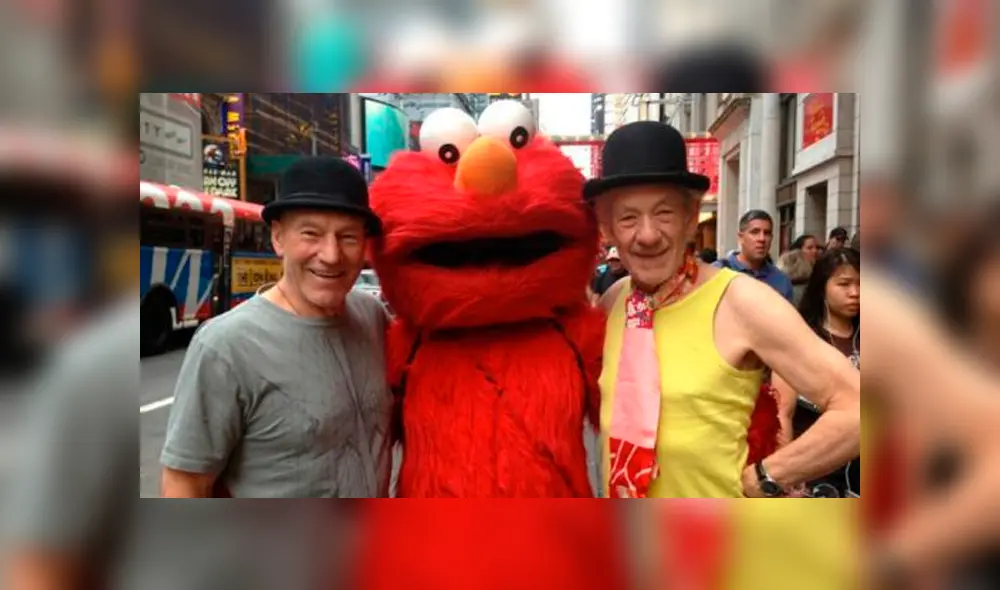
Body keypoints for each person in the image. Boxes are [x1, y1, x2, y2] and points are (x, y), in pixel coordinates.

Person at [586, 120, 860, 499]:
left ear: (689, 218)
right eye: (628, 217)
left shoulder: (742, 302)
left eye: (664, 212)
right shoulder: (613, 302)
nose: (647, 234)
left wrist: (769, 474)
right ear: (609, 230)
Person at [159, 157, 394, 498]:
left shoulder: (372, 318)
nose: (330, 254)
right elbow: (184, 484)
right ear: (278, 237)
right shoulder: (225, 345)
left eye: (348, 237)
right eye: (310, 234)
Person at [772, 248, 861, 496]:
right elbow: (783, 412)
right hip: (816, 475)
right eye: (844, 284)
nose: (855, 293)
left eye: (861, 284)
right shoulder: (801, 341)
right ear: (822, 286)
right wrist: (785, 474)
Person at [714, 210, 794, 302]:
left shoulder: (781, 281)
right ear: (741, 238)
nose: (762, 239)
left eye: (767, 233)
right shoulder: (717, 271)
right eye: (755, 232)